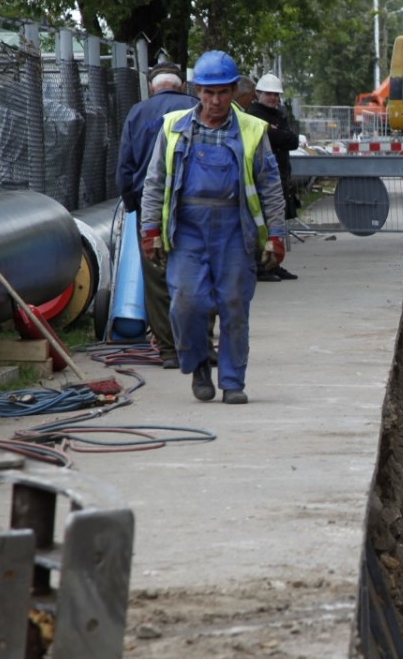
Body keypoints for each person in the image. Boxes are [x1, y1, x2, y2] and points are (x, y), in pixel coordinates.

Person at [138, 50, 288, 405]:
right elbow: (154, 181)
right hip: (187, 231)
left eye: (223, 92)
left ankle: (233, 381)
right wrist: (150, 229)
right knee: (186, 303)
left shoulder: (252, 131)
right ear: (197, 91)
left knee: (233, 304)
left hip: (234, 230)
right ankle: (199, 365)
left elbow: (270, 185)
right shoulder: (174, 128)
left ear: (234, 91)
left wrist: (276, 235)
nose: (216, 100)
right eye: (208, 92)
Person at [114, 62, 198, 369]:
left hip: (149, 206)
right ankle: (195, 343)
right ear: (181, 86)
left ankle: (168, 350)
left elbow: (125, 166)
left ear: (152, 88)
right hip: (192, 205)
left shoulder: (137, 113)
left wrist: (131, 204)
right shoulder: (197, 108)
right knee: (194, 273)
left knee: (156, 278)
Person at [247, 73, 300, 281]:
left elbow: (293, 141)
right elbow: (274, 137)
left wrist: (278, 134)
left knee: (276, 221)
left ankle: (274, 263)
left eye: (276, 95)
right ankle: (261, 266)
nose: (273, 98)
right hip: (263, 177)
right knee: (262, 223)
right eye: (269, 94)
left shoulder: (278, 115)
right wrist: (278, 134)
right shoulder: (253, 115)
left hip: (279, 173)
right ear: (258, 93)